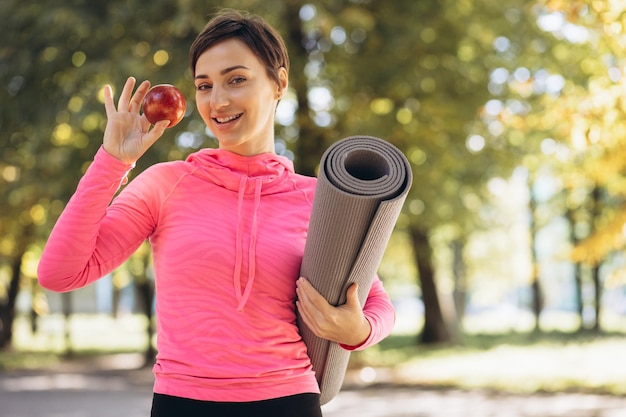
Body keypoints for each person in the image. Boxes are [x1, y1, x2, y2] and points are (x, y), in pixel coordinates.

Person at [37, 9, 395, 417]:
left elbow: (377, 303)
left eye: (236, 79)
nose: (218, 101)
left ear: (279, 83)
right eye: (204, 86)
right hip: (183, 402)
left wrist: (358, 331)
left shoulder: (316, 199)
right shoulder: (165, 184)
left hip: (288, 401)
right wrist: (111, 163)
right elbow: (60, 273)